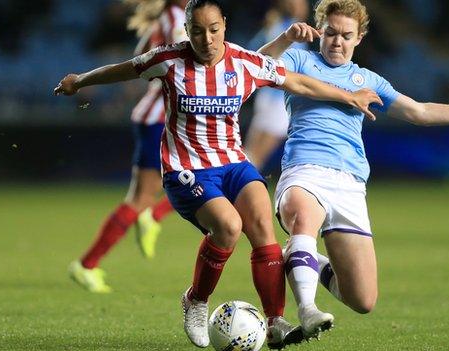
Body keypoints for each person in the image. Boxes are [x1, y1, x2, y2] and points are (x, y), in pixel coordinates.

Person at [54, 0, 382, 348]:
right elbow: (124, 68)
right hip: (187, 169)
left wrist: (349, 96)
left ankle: (275, 322)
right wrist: (79, 80)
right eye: (197, 31)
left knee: (261, 225)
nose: (206, 39)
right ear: (187, 30)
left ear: (224, 26)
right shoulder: (168, 60)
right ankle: (195, 300)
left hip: (232, 164)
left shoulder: (244, 62)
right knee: (228, 227)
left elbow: (299, 83)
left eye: (213, 30)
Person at [257, 0, 449, 340]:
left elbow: (420, 111)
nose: (337, 41)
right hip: (304, 171)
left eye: (346, 35)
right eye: (331, 32)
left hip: (349, 183)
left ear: (360, 38)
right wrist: (286, 39)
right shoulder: (300, 59)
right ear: (320, 31)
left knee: (362, 299)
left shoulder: (368, 80)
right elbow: (257, 66)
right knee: (304, 218)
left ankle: (301, 256)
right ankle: (307, 308)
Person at [68, 0, 188, 294]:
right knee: (145, 197)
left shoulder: (165, 16)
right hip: (161, 117)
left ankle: (91, 261)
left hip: (156, 116)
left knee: (199, 177)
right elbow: (184, 48)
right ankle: (87, 264)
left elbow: (140, 56)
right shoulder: (175, 15)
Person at [243, 0, 309, 169]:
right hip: (278, 99)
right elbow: (252, 54)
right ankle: (241, 189)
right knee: (255, 155)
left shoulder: (286, 27)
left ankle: (234, 188)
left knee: (251, 154)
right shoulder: (288, 28)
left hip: (270, 96)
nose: (302, 6)